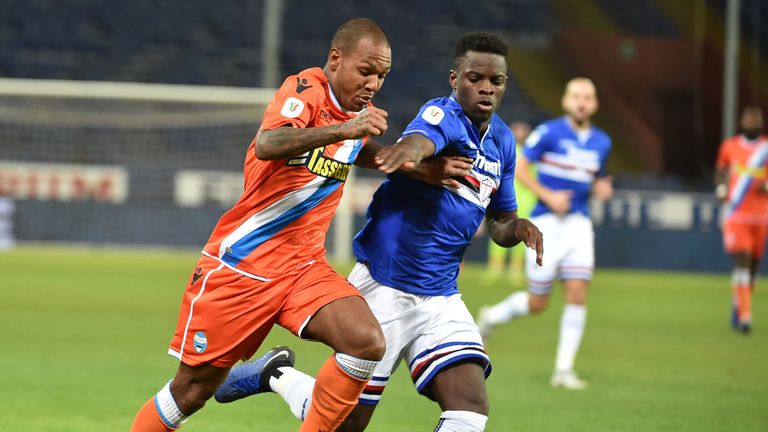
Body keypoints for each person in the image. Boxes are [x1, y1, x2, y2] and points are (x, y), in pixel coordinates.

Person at [214, 32, 543, 432]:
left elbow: (501, 220)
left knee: (470, 407)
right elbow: (423, 139)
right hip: (385, 287)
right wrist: (409, 154)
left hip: (441, 296)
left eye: (496, 81)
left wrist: (519, 227)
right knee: (345, 423)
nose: (486, 88)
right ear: (454, 79)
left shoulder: (504, 142)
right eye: (475, 78)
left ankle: (273, 375)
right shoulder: (443, 117)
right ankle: (274, 375)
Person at [130, 18, 432, 432]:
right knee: (191, 393)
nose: (374, 84)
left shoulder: (353, 116)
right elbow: (269, 142)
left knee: (367, 342)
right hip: (242, 268)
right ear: (334, 59)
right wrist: (345, 129)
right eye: (366, 71)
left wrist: (424, 168)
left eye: (382, 75)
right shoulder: (305, 88)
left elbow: (359, 149)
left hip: (303, 269)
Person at [476, 77, 613, 390]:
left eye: (587, 97)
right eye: (576, 95)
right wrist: (549, 196)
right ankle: (491, 317)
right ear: (566, 101)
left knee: (578, 292)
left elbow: (594, 179)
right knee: (539, 302)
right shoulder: (549, 132)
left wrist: (599, 189)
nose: (581, 101)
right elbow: (521, 169)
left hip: (578, 224)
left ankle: (563, 370)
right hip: (546, 223)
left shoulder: (602, 142)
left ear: (594, 104)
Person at [714, 106, 768, 334]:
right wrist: (721, 187)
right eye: (749, 117)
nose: (752, 121)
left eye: (756, 118)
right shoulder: (729, 146)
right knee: (742, 260)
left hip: (761, 215)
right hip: (736, 214)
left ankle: (739, 303)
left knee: (754, 266)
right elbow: (721, 169)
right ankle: (745, 316)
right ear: (741, 121)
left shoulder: (765, 148)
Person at [485, 120, 535, 282]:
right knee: (499, 230)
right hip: (505, 196)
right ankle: (495, 267)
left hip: (526, 199)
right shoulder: (505, 150)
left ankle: (516, 269)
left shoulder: (530, 154)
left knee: (521, 234)